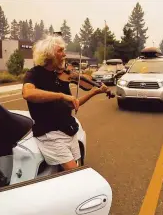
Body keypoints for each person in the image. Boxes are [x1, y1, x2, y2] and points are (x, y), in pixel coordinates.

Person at [22, 35, 109, 171]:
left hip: (69, 131)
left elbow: (71, 104)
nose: (64, 54)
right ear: (49, 54)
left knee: (76, 168)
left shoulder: (60, 77)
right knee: (74, 173)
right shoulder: (34, 74)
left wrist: (94, 92)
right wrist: (61, 96)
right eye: (60, 51)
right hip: (51, 134)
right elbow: (28, 93)